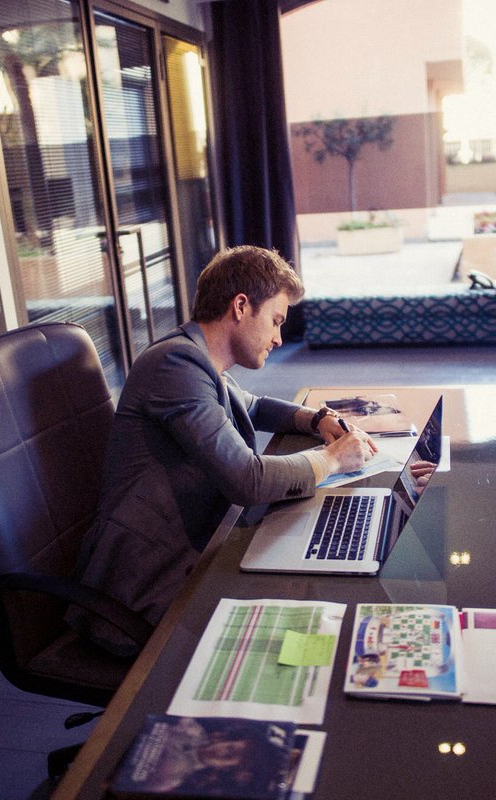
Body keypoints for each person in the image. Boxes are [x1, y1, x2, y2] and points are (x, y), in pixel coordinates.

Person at [73, 245, 375, 649]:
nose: (278, 338)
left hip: (200, 547)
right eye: (275, 321)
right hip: (148, 587)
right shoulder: (176, 365)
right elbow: (247, 480)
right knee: (312, 614)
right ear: (241, 306)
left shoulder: (196, 359)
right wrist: (330, 460)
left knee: (312, 581)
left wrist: (316, 418)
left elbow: (253, 406)